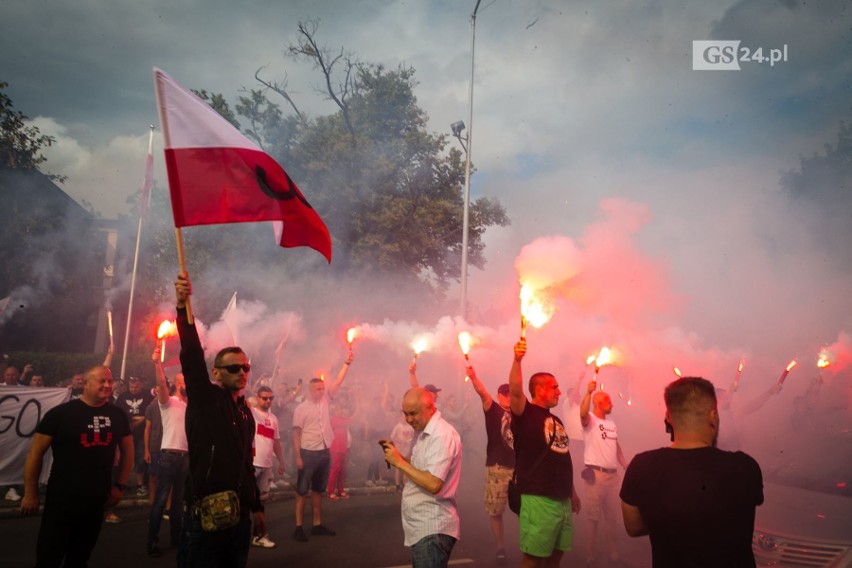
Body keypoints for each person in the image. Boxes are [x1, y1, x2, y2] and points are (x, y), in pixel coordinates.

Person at [620, 376, 764, 567]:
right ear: (713, 416)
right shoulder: (745, 466)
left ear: (668, 418)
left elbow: (634, 527)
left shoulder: (641, 466)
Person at [174, 274, 265, 568]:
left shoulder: (244, 412)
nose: (242, 372)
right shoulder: (205, 399)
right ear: (216, 373)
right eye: (234, 368)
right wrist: (182, 310)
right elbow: (191, 356)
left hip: (239, 519)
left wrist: (257, 508)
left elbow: (246, 463)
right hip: (206, 519)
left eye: (246, 367)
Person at [21, 365, 133, 567]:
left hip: (97, 499)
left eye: (109, 380)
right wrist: (30, 493)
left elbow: (128, 452)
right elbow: (35, 453)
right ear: (85, 384)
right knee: (49, 556)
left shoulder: (118, 415)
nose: (107, 385)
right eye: (102, 381)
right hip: (62, 498)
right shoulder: (60, 414)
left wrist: (120, 486)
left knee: (80, 557)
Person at [509, 339, 580, 568]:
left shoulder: (556, 419)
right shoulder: (525, 413)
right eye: (554, 387)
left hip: (562, 499)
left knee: (555, 555)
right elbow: (515, 391)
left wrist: (572, 492)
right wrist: (517, 360)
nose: (559, 391)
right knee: (533, 558)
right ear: (539, 390)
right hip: (538, 498)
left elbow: (562, 456)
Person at [382, 387, 462, 568]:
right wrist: (399, 457)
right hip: (425, 528)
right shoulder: (426, 431)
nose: (408, 419)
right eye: (405, 414)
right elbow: (421, 467)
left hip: (433, 528)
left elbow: (433, 483)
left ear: (430, 408)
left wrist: (400, 463)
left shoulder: (441, 435)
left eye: (413, 413)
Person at [292, 350, 354, 542]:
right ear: (310, 391)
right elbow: (296, 434)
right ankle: (298, 527)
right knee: (302, 491)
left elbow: (338, 382)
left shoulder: (326, 400)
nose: (322, 391)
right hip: (307, 453)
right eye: (318, 389)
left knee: (318, 490)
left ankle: (317, 524)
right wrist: (297, 457)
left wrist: (346, 363)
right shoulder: (301, 409)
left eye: (322, 389)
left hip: (324, 452)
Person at [465, 366, 515, 565]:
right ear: (499, 395)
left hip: (519, 467)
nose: (509, 398)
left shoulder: (520, 413)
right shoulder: (492, 408)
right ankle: (500, 546)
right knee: (496, 510)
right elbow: (482, 392)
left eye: (512, 395)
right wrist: (474, 377)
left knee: (526, 507)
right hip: (498, 466)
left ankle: (528, 543)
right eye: (505, 395)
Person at [579, 381, 628, 567]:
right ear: (598, 403)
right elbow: (582, 414)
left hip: (612, 477)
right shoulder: (590, 420)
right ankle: (590, 556)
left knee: (611, 517)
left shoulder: (611, 424)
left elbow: (616, 446)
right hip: (596, 476)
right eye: (608, 400)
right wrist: (588, 392)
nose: (612, 403)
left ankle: (613, 554)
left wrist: (625, 465)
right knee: (592, 518)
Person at [146, 347, 189, 558]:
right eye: (184, 380)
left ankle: (176, 538)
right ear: (178, 384)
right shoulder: (168, 402)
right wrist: (157, 365)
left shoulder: (191, 405)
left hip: (185, 458)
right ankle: (152, 541)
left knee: (178, 501)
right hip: (169, 456)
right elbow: (161, 384)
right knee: (161, 499)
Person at [251, 385, 284, 548]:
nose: (268, 401)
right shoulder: (252, 413)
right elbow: (244, 402)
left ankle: (257, 535)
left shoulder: (274, 419)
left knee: (261, 501)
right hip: (252, 464)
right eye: (264, 398)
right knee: (247, 502)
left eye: (271, 398)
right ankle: (258, 534)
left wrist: (281, 461)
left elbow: (276, 441)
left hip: (267, 465)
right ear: (257, 398)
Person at [114, 375, 154, 496]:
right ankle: (121, 483)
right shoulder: (123, 397)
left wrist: (142, 419)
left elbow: (152, 411)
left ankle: (140, 485)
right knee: (122, 460)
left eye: (136, 386)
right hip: (126, 434)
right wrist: (139, 419)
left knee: (140, 459)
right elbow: (118, 414)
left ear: (141, 385)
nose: (133, 388)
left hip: (142, 434)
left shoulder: (147, 395)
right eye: (131, 386)